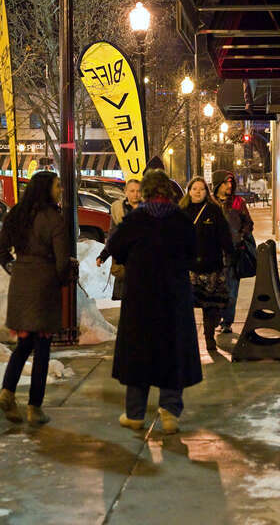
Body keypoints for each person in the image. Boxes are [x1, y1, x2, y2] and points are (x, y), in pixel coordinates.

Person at [106, 169, 201, 435]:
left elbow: (116, 247)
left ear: (145, 191)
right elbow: (194, 253)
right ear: (168, 191)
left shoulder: (136, 219)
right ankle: (170, 413)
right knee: (173, 351)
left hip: (141, 297)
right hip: (174, 296)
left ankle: (135, 414)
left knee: (138, 353)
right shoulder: (180, 220)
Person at [0, 171, 72, 425]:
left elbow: (1, 252)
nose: (60, 190)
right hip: (44, 285)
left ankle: (8, 391)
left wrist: (16, 269)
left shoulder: (16, 214)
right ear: (46, 189)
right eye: (58, 186)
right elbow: (62, 262)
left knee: (24, 344)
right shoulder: (54, 219)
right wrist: (61, 280)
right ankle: (34, 407)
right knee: (42, 349)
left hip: (21, 284)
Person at [179, 176, 235, 352]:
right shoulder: (181, 211)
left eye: (201, 189)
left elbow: (224, 235)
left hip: (211, 266)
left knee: (210, 306)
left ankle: (209, 337)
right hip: (188, 268)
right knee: (184, 305)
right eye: (194, 189)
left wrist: (231, 254)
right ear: (189, 191)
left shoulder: (214, 210)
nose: (198, 192)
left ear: (207, 192)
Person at [212, 169, 254, 333]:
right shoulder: (211, 203)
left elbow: (248, 223)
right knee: (214, 289)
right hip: (214, 254)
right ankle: (216, 319)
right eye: (225, 182)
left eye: (231, 182)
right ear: (218, 185)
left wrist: (240, 237)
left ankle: (227, 322)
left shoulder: (238, 202)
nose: (229, 185)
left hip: (233, 253)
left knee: (231, 289)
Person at [95, 178, 141, 299]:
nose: (135, 194)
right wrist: (104, 255)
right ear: (125, 191)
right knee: (124, 298)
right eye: (132, 191)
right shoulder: (118, 209)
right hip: (124, 261)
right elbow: (113, 235)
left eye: (138, 191)